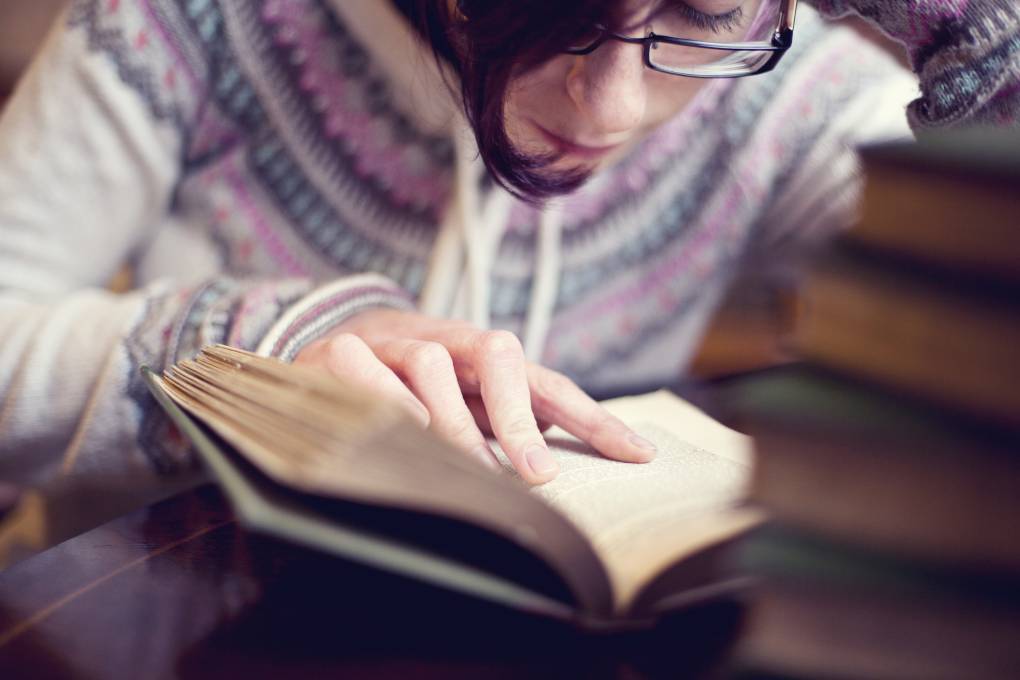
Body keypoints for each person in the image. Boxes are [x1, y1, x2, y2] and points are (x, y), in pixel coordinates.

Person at [0, 0, 1016, 542]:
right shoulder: (193, 20)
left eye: (702, 12)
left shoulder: (776, 89)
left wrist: (980, 39)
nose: (609, 109)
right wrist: (262, 356)